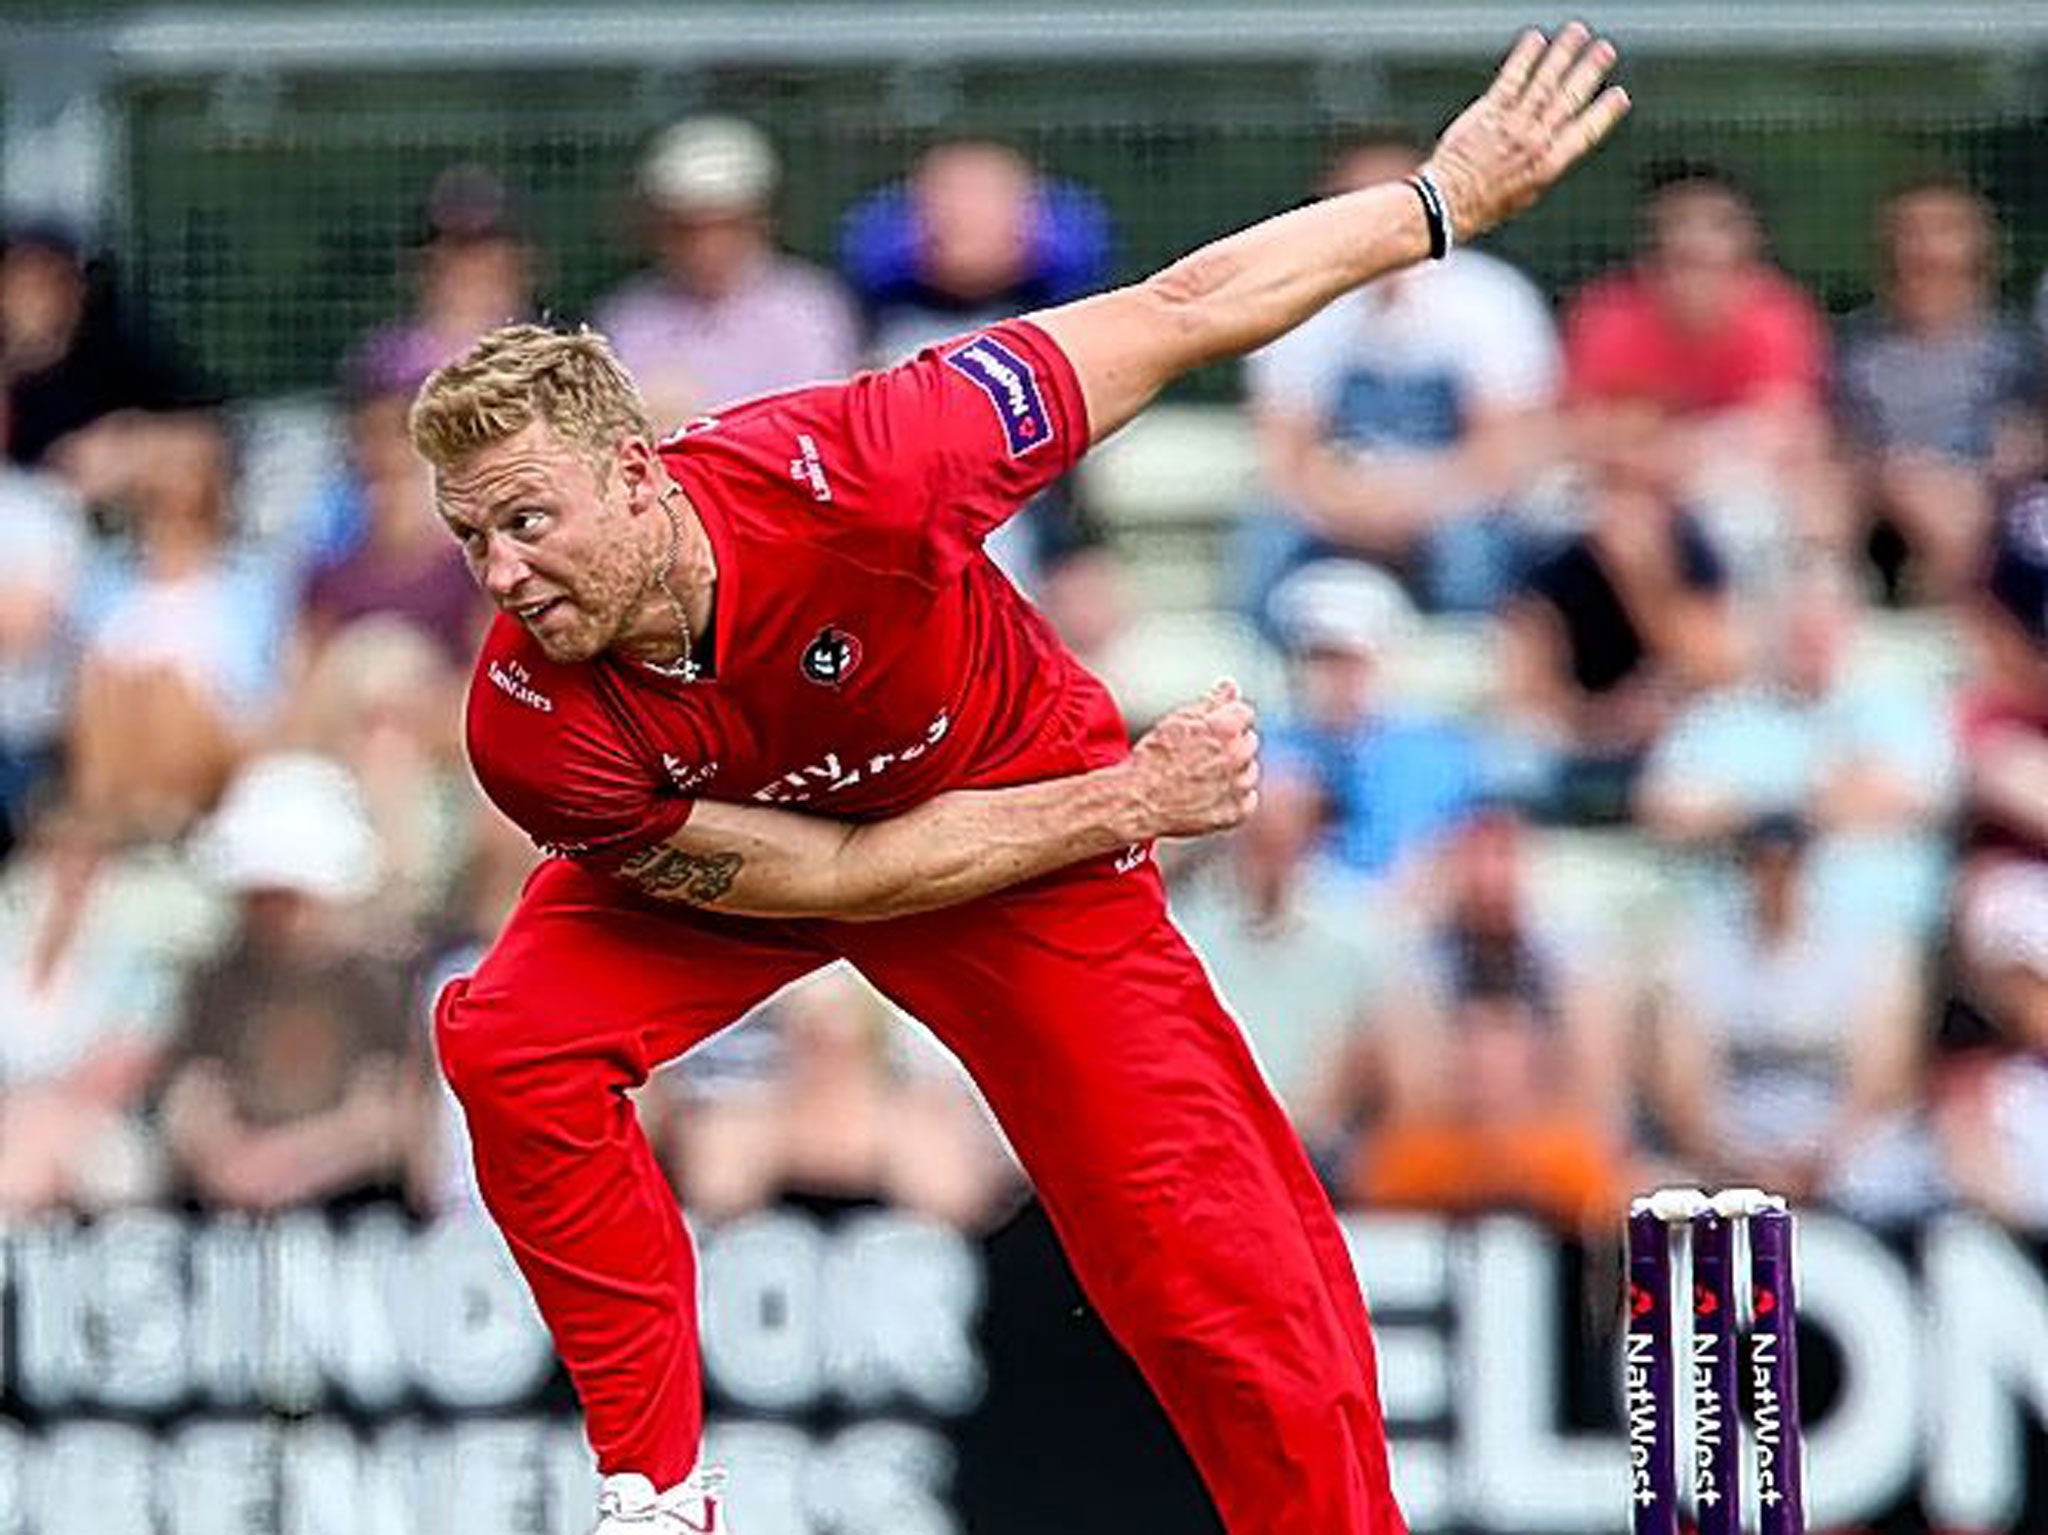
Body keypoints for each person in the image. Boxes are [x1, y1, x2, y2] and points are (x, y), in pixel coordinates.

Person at [411, 27, 1627, 1534]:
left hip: (1017, 836)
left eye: (526, 519)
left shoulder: (870, 462)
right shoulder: (531, 718)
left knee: (1204, 1262)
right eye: (472, 538)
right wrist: (1131, 799)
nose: (502, 573)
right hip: (822, 843)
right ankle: (659, 1492)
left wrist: (1435, 201)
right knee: (513, 1035)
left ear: (641, 470)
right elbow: (844, 885)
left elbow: (1180, 309)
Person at [1241, 127, 1562, 618]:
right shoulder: (1293, 306)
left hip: (1455, 510)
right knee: (1266, 549)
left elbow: (1504, 458)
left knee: (1479, 558)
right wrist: (1347, 504)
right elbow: (1285, 456)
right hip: (1336, 510)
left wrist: (1409, 502)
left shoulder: (1492, 299)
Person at [1839, 176, 2045, 601]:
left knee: (1958, 510)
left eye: (1945, 230)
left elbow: (2029, 438)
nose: (1927, 248)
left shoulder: (2017, 349)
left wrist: (1992, 469)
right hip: (1884, 498)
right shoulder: (1857, 348)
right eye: (1912, 232)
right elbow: (1839, 438)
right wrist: (1890, 472)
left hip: (1990, 496)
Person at [594, 117, 859, 432]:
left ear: (759, 219)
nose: (707, 246)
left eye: (724, 225)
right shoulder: (628, 317)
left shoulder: (810, 309)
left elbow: (822, 427)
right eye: (687, 228)